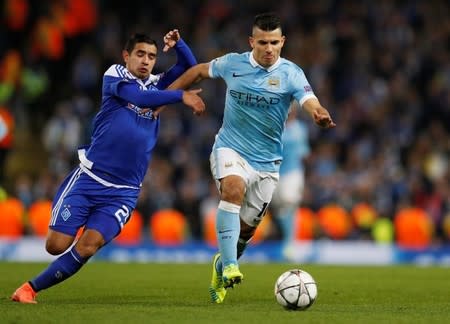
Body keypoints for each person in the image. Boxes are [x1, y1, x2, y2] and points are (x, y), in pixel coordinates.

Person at [11, 30, 205, 304]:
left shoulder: (156, 86)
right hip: (90, 178)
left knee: (89, 245)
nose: (146, 61)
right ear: (126, 56)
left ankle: (28, 290)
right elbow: (140, 99)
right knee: (55, 246)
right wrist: (179, 97)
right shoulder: (115, 75)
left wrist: (179, 45)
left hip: (124, 191)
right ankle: (72, 218)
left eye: (151, 56)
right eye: (140, 54)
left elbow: (190, 68)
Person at [167, 12, 335, 303]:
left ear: (282, 42)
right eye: (262, 43)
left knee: (245, 233)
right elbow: (198, 71)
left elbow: (310, 101)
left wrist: (318, 113)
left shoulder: (291, 73)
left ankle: (223, 264)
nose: (268, 49)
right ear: (251, 42)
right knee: (233, 188)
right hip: (230, 148)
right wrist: (164, 97)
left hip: (267, 163)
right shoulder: (233, 63)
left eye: (273, 42)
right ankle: (232, 266)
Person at [270, 102, 310, 261]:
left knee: (289, 200)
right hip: (275, 172)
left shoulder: (300, 129)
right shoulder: (275, 126)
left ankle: (290, 244)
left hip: (293, 171)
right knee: (279, 209)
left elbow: (303, 153)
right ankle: (283, 239)